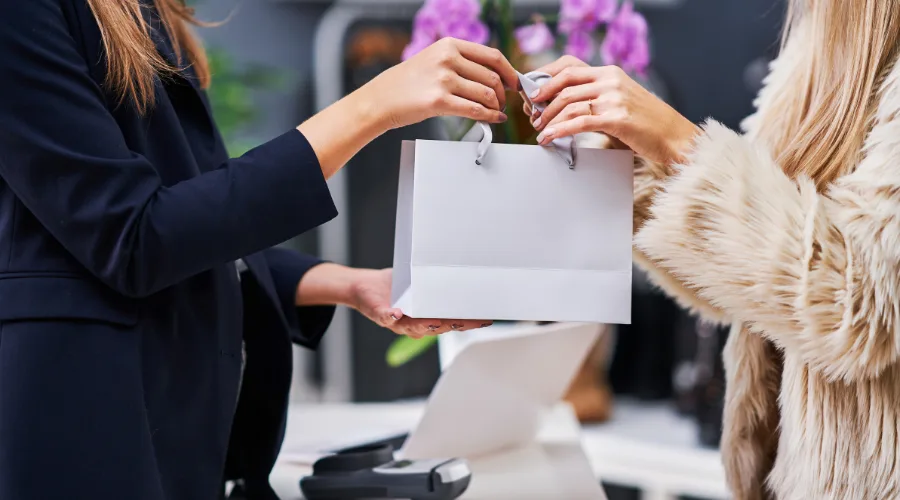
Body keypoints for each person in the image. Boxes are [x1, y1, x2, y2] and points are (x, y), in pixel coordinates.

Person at [0, 0, 516, 498]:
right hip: (82, 422)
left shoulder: (145, 11)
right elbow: (134, 236)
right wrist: (373, 106)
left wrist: (349, 284)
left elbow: (188, 227)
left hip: (160, 414)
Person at [523, 1, 900, 498]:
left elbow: (860, 308)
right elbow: (762, 290)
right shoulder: (816, 45)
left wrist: (679, 147)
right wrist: (632, 158)